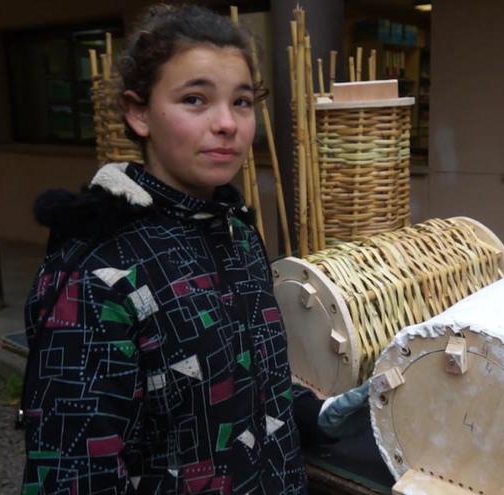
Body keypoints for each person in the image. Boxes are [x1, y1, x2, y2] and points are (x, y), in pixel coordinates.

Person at [19, 5, 366, 494]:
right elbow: (74, 472)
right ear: (138, 112)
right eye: (195, 99)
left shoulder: (236, 233)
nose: (227, 123)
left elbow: (240, 373)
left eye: (242, 101)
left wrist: (310, 411)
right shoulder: (100, 270)